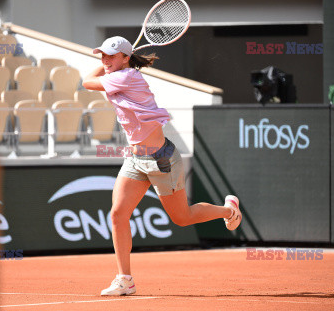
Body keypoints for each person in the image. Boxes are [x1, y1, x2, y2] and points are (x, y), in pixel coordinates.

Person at [82, 36, 242, 296]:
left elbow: (87, 82)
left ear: (126, 57)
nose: (105, 60)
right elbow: (95, 77)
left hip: (160, 159)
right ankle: (125, 279)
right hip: (135, 159)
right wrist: (110, 62)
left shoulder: (127, 77)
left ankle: (228, 211)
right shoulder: (119, 72)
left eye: (111, 55)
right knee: (117, 214)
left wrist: (106, 66)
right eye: (102, 55)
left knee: (182, 218)